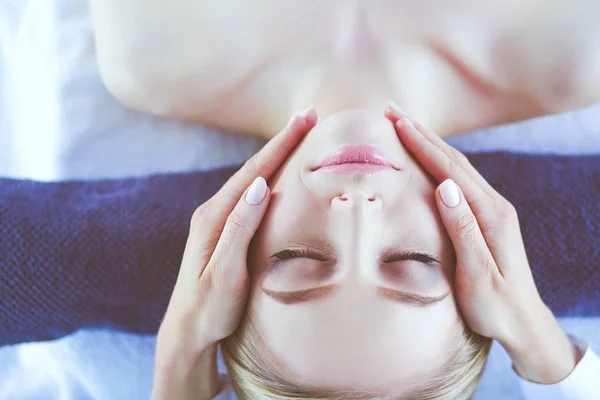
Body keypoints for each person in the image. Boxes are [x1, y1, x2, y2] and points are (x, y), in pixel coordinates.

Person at [88, 2, 600, 399]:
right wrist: (539, 342)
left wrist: (178, 361)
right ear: (482, 257)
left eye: (298, 259)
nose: (356, 211)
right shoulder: (575, 51)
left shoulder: (151, 52)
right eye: (411, 261)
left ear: (230, 250)